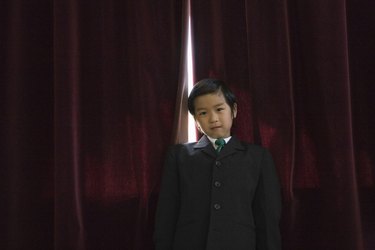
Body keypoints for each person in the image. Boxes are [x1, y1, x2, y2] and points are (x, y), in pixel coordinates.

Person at [154, 78, 281, 250]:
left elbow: (267, 219)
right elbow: (166, 215)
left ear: (234, 110)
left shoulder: (258, 157)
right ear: (196, 121)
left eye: (219, 109)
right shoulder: (178, 156)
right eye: (203, 113)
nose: (213, 118)